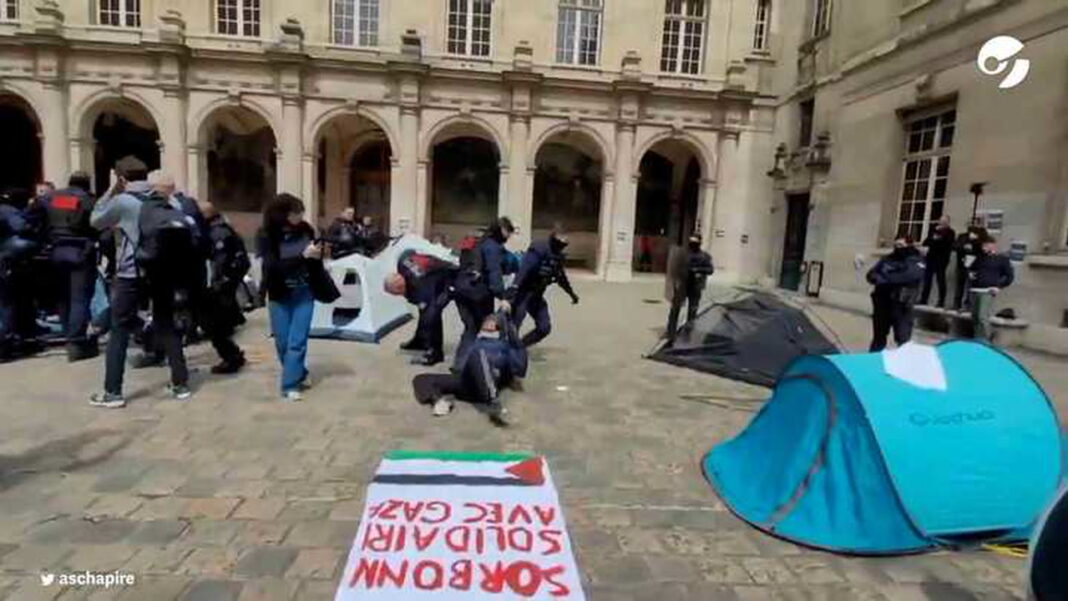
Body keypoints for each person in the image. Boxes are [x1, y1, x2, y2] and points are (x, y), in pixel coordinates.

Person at [88, 157, 193, 408]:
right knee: (167, 324)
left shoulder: (123, 201)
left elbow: (96, 220)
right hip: (163, 271)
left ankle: (113, 392)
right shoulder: (168, 199)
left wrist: (110, 191)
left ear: (121, 178)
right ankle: (180, 383)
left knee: (119, 329)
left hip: (131, 273)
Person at [258, 193, 323, 401]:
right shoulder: (267, 234)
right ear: (283, 214)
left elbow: (315, 260)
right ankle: (299, 372)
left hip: (304, 292)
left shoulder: (306, 230)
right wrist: (301, 256)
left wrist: (317, 254)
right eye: (296, 212)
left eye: (301, 212)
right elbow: (272, 266)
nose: (300, 216)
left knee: (297, 341)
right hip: (279, 293)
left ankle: (289, 385)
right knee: (283, 342)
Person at [30, 171, 100, 361]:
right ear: (87, 184)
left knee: (63, 296)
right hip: (81, 252)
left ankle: (69, 333)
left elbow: (33, 217)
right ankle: (76, 342)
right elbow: (99, 227)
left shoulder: (53, 198)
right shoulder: (88, 200)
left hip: (57, 251)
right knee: (79, 298)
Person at [412, 311, 526, 423]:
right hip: (472, 384)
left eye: (492, 322)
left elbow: (520, 367)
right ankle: (439, 402)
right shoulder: (485, 342)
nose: (488, 323)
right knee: (421, 379)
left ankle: (493, 401)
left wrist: (511, 330)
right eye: (487, 321)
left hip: (486, 386)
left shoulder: (503, 348)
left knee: (479, 354)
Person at [452, 217, 516, 366]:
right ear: (500, 230)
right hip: (477, 294)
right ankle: (491, 361)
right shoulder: (492, 247)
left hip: (461, 290)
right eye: (507, 232)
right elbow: (494, 272)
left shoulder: (478, 242)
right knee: (488, 325)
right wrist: (502, 297)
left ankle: (460, 363)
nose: (508, 237)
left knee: (471, 327)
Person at [384, 249, 458, 366]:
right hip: (434, 274)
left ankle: (436, 353)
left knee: (431, 315)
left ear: (400, 287)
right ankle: (420, 341)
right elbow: (407, 252)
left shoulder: (420, 288)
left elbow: (430, 312)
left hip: (450, 280)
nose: (401, 296)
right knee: (424, 310)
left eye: (398, 293)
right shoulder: (402, 263)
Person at [508, 228, 579, 348]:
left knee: (544, 328)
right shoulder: (539, 249)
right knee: (514, 324)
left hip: (537, 296)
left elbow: (561, 278)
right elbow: (525, 268)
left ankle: (520, 347)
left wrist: (571, 294)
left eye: (564, 243)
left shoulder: (558, 258)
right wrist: (515, 286)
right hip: (523, 293)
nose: (561, 245)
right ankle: (504, 350)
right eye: (559, 242)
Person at [200, 201, 250, 374]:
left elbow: (219, 261)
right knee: (218, 323)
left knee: (214, 324)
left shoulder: (218, 232)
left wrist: (216, 283)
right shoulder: (222, 227)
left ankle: (232, 357)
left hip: (221, 284)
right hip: (227, 282)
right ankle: (232, 354)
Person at [866, 236, 925, 352]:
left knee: (903, 340)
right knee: (878, 338)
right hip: (882, 304)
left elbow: (909, 276)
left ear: (909, 245)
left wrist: (886, 277)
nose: (898, 248)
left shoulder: (917, 260)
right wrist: (887, 277)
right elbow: (871, 275)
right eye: (896, 245)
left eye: (901, 245)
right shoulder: (888, 258)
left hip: (902, 305)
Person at [0, 189, 38, 362]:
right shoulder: (8, 210)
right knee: (7, 303)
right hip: (5, 263)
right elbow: (21, 227)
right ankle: (6, 343)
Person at [665, 234, 714, 344]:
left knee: (692, 311)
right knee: (675, 309)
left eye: (695, 242)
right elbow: (675, 268)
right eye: (691, 241)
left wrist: (698, 270)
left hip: (695, 286)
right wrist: (674, 282)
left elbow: (710, 270)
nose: (692, 244)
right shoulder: (682, 254)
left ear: (699, 243)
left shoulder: (704, 256)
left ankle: (688, 334)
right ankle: (670, 332)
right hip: (682, 284)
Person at [968, 236, 1014, 342]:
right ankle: (977, 338)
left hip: (988, 290)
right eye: (982, 245)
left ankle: (986, 339)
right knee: (974, 316)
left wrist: (999, 287)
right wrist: (971, 274)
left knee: (982, 316)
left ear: (992, 245)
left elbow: (1009, 276)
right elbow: (972, 269)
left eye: (985, 245)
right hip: (976, 289)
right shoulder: (980, 257)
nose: (983, 248)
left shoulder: (1001, 259)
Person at [919, 215, 955, 308]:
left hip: (942, 259)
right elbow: (926, 242)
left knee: (940, 279)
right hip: (931, 258)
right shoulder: (933, 230)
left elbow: (947, 243)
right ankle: (923, 299)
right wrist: (934, 237)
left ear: (948, 222)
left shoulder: (950, 232)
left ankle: (941, 300)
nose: (942, 223)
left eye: (944, 221)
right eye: (941, 221)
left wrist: (938, 239)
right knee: (927, 279)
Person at [952, 223, 988, 311]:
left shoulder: (983, 236)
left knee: (970, 286)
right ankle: (956, 304)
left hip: (974, 265)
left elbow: (984, 250)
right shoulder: (962, 236)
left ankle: (967, 305)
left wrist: (975, 243)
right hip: (962, 263)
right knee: (959, 285)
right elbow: (954, 246)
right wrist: (963, 246)